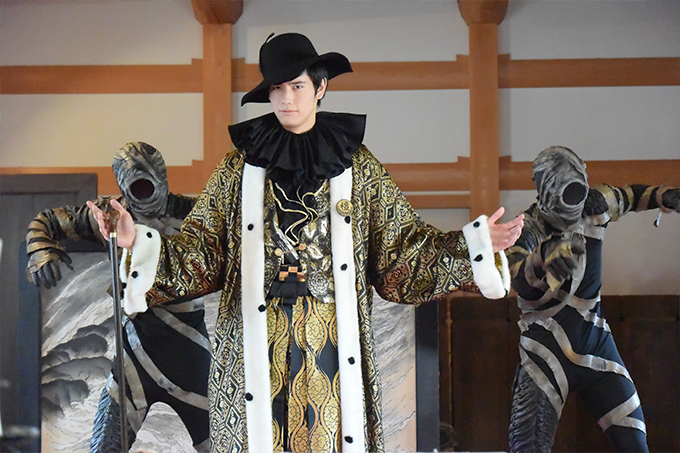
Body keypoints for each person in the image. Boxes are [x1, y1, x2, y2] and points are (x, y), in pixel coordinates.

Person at [88, 32, 524, 453]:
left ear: (320, 88)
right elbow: (200, 252)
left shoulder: (358, 168)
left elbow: (401, 250)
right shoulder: (237, 170)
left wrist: (473, 246)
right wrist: (134, 240)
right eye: (277, 88)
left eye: (297, 86)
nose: (286, 99)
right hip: (253, 346)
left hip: (330, 343)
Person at [26, 142, 210, 453]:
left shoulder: (196, 214)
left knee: (223, 444)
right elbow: (47, 221)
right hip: (134, 353)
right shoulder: (109, 216)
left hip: (191, 353)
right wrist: (40, 249)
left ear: (162, 177)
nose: (144, 191)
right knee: (106, 447)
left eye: (148, 180)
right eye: (135, 183)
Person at [506, 145, 680, 453]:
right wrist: (544, 258)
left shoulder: (595, 204)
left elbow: (630, 196)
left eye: (577, 190)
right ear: (546, 190)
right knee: (527, 446)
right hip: (543, 351)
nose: (573, 203)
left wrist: (663, 196)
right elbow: (515, 272)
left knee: (634, 443)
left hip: (595, 344)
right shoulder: (527, 227)